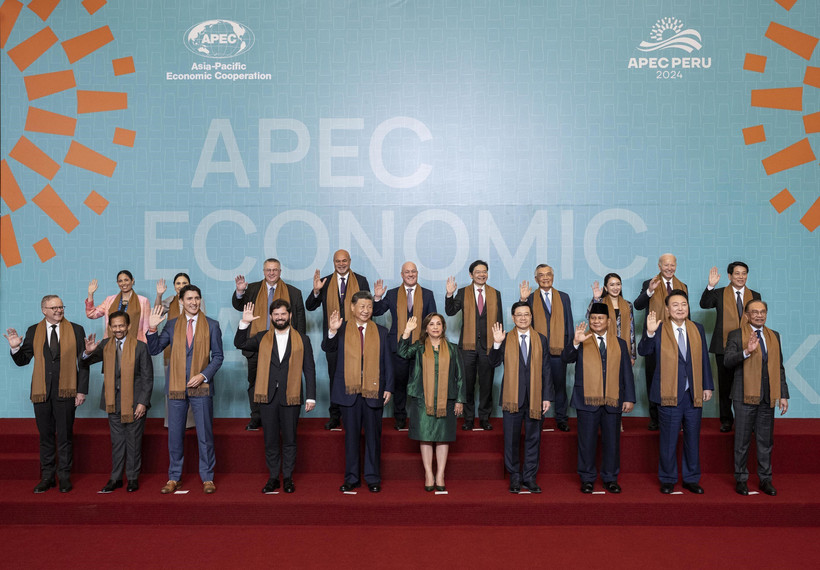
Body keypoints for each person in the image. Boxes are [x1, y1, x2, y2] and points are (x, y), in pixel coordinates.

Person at [5, 295, 88, 493]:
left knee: (65, 436)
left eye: (61, 306)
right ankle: (48, 476)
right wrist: (15, 347)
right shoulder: (33, 330)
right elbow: (23, 360)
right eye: (54, 307)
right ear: (44, 310)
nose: (59, 310)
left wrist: (81, 390)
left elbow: (83, 362)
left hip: (66, 391)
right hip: (41, 392)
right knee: (46, 436)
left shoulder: (76, 330)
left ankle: (64, 476)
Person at [146, 285, 224, 494]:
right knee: (175, 435)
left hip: (202, 388)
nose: (193, 302)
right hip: (176, 388)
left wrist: (203, 375)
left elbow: (218, 356)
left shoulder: (212, 325)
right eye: (189, 298)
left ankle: (207, 477)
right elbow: (154, 349)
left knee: (205, 435)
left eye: (197, 298)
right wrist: (152, 329)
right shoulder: (171, 325)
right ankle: (174, 477)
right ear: (181, 301)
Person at [234, 299, 316, 494]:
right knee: (270, 439)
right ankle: (273, 478)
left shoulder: (303, 339)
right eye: (276, 314)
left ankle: (287, 478)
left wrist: (311, 397)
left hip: (291, 396)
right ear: (271, 316)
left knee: (290, 439)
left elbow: (309, 369)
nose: (280, 318)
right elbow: (240, 343)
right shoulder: (262, 337)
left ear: (290, 315)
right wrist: (244, 323)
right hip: (267, 396)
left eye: (283, 314)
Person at [638, 289, 713, 494]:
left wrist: (707, 385)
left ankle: (691, 479)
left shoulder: (697, 328)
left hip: (693, 393)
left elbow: (704, 359)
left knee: (692, 439)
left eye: (684, 304)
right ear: (667, 309)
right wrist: (649, 333)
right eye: (675, 305)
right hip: (668, 393)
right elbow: (644, 351)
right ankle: (668, 479)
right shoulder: (658, 328)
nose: (680, 308)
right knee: (669, 440)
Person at [322, 291, 393, 493]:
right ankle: (351, 478)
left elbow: (387, 361)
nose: (365, 310)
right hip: (349, 392)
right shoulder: (341, 328)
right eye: (362, 306)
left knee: (373, 438)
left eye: (369, 307)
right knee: (351, 438)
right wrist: (332, 331)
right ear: (352, 307)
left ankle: (372, 477)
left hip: (374, 390)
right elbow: (328, 348)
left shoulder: (381, 331)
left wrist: (388, 387)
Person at [563, 303, 635, 494]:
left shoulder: (620, 343)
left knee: (612, 442)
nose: (596, 321)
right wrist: (575, 342)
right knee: (586, 442)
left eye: (600, 318)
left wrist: (629, 398)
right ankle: (587, 479)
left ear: (608, 321)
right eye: (593, 318)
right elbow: (566, 358)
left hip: (613, 399)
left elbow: (626, 372)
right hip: (587, 399)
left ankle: (610, 478)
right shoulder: (582, 339)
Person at [81, 311, 153, 493]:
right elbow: (85, 363)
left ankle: (133, 478)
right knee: (117, 442)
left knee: (134, 442)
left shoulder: (140, 347)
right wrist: (88, 352)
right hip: (112, 401)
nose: (118, 329)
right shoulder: (105, 345)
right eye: (114, 326)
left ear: (128, 326)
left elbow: (147, 378)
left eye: (121, 325)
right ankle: (116, 478)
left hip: (135, 402)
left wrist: (143, 402)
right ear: (110, 327)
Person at [232, 258, 306, 431]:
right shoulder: (252, 289)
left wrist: (299, 345)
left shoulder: (293, 292)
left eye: (275, 270)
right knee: (255, 382)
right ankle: (256, 416)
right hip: (256, 346)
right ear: (263, 271)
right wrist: (240, 292)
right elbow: (238, 306)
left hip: (284, 346)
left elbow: (300, 321)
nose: (271, 273)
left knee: (283, 383)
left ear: (280, 271)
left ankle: (281, 418)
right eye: (268, 270)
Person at [724, 300, 788, 496]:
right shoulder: (736, 335)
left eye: (762, 312)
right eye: (755, 312)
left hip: (768, 396)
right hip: (743, 396)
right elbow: (727, 361)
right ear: (746, 315)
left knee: (765, 442)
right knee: (742, 441)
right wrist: (746, 351)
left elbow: (779, 367)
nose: (759, 315)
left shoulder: (774, 335)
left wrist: (783, 394)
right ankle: (741, 479)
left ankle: (765, 480)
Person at [489, 302, 552, 494]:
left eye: (526, 314)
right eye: (519, 314)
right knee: (511, 440)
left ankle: (530, 478)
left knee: (534, 439)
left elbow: (546, 369)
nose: (523, 318)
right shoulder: (505, 338)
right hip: (512, 397)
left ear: (531, 317)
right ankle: (515, 477)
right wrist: (496, 344)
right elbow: (493, 362)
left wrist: (546, 396)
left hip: (535, 398)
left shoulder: (541, 339)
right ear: (513, 317)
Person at [397, 314, 465, 492]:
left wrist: (459, 400)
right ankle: (429, 474)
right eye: (431, 324)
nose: (435, 327)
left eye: (438, 324)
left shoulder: (452, 348)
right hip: (422, 399)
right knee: (425, 436)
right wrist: (406, 332)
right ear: (426, 328)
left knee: (443, 437)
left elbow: (460, 377)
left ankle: (440, 474)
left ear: (443, 327)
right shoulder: (419, 347)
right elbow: (402, 353)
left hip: (447, 400)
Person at [305, 249, 370, 430]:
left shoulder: (361, 281)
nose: (341, 264)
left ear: (349, 261)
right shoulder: (325, 281)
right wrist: (316, 291)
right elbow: (309, 306)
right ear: (333, 263)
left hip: (356, 338)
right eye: (337, 261)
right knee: (335, 378)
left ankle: (357, 415)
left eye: (344, 260)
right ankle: (335, 416)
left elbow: (367, 309)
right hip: (333, 339)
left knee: (358, 376)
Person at [373, 261, 437, 430]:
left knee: (420, 385)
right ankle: (400, 418)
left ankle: (420, 418)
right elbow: (377, 311)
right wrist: (377, 298)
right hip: (397, 347)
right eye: (407, 272)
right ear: (402, 275)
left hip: (420, 347)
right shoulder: (392, 294)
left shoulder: (427, 294)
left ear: (417, 273)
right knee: (399, 384)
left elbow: (433, 321)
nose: (410, 274)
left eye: (413, 271)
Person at [699, 262, 761, 432]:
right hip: (723, 346)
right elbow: (704, 304)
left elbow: (757, 319)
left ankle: (748, 420)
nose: (741, 276)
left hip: (748, 346)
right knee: (725, 386)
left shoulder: (755, 295)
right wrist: (710, 286)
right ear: (729, 276)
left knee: (748, 384)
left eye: (744, 273)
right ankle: (726, 420)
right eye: (737, 273)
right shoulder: (719, 293)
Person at [445, 260, 503, 431]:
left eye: (484, 271)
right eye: (478, 272)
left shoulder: (495, 293)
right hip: (467, 346)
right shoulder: (463, 292)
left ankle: (484, 418)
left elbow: (499, 320)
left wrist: (498, 344)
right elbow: (450, 311)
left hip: (488, 346)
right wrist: (449, 295)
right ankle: (468, 419)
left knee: (486, 384)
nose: (481, 274)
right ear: (471, 275)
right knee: (467, 385)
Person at [634, 253, 688, 431]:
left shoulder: (682, 286)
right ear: (659, 266)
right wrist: (650, 291)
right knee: (653, 377)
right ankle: (655, 417)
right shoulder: (649, 284)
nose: (669, 268)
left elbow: (686, 313)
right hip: (654, 338)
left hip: (677, 338)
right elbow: (638, 305)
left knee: (677, 376)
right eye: (666, 265)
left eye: (672, 265)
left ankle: (678, 416)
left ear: (676, 266)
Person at [520, 264, 574, 431]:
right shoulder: (530, 298)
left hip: (559, 350)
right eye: (541, 275)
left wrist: (570, 348)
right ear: (536, 279)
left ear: (553, 276)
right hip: (537, 351)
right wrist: (522, 300)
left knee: (560, 386)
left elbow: (569, 322)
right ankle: (537, 418)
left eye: (548, 274)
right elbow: (523, 321)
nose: (545, 278)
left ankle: (561, 418)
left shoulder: (563, 297)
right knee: (537, 386)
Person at [154, 272, 197, 429]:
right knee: (171, 388)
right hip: (171, 352)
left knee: (192, 387)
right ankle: (171, 421)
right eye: (178, 283)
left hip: (192, 351)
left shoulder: (196, 301)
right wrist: (159, 295)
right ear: (174, 286)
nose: (181, 286)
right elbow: (157, 311)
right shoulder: (170, 300)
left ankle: (190, 422)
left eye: (184, 283)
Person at [85, 270, 151, 341]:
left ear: (132, 281)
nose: (123, 283)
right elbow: (91, 314)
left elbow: (146, 327)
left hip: (135, 343)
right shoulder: (109, 300)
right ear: (117, 283)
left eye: (126, 280)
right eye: (120, 281)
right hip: (111, 343)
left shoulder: (143, 301)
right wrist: (90, 294)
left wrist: (145, 345)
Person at [586, 273, 636, 364]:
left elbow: (631, 330)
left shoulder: (628, 305)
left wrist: (632, 355)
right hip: (604, 348)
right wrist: (595, 299)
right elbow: (589, 317)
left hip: (623, 349)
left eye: (618, 284)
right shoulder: (600, 302)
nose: (615, 287)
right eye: (612, 285)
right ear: (606, 288)